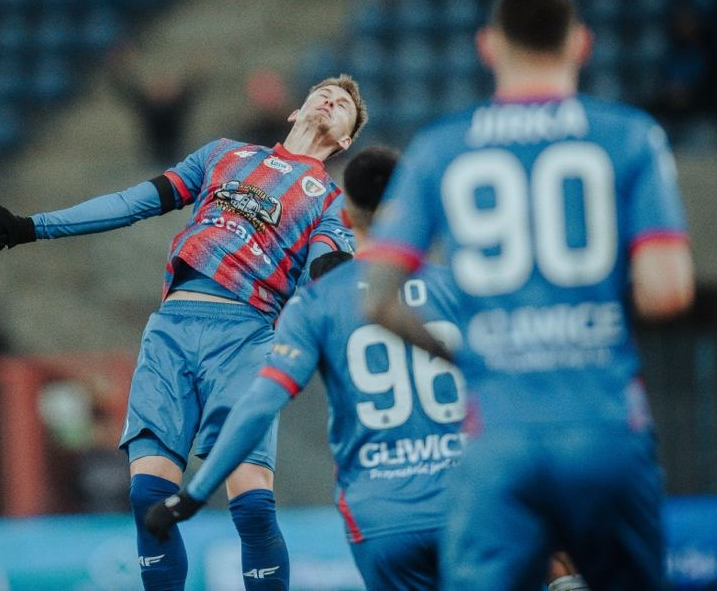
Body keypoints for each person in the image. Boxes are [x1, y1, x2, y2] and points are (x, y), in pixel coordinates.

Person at [363, 0, 695, 590]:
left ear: (488, 46)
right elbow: (667, 291)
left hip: (499, 434)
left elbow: (378, 298)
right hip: (605, 426)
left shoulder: (440, 148)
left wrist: (468, 353)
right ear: (582, 43)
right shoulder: (631, 136)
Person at [0, 75, 368, 590]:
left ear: (344, 140)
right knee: (147, 495)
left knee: (252, 504)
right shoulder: (223, 154)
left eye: (343, 106)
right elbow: (131, 202)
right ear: (297, 111)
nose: (331, 100)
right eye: (324, 93)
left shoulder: (331, 201)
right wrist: (33, 226)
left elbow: (326, 271)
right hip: (171, 330)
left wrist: (343, 281)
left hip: (246, 338)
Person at [143, 146, 590, 591]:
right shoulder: (461, 288)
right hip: (468, 505)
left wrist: (193, 496)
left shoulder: (318, 304)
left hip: (382, 518)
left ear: (346, 219)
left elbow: (259, 405)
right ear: (414, 211)